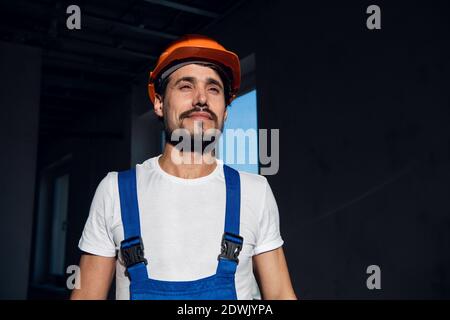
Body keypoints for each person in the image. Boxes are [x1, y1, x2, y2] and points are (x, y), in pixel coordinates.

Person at [70, 34, 297, 300]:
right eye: (186, 86)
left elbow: (281, 295)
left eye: (213, 88)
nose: (201, 98)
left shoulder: (254, 192)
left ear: (225, 111)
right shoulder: (115, 192)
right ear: (158, 103)